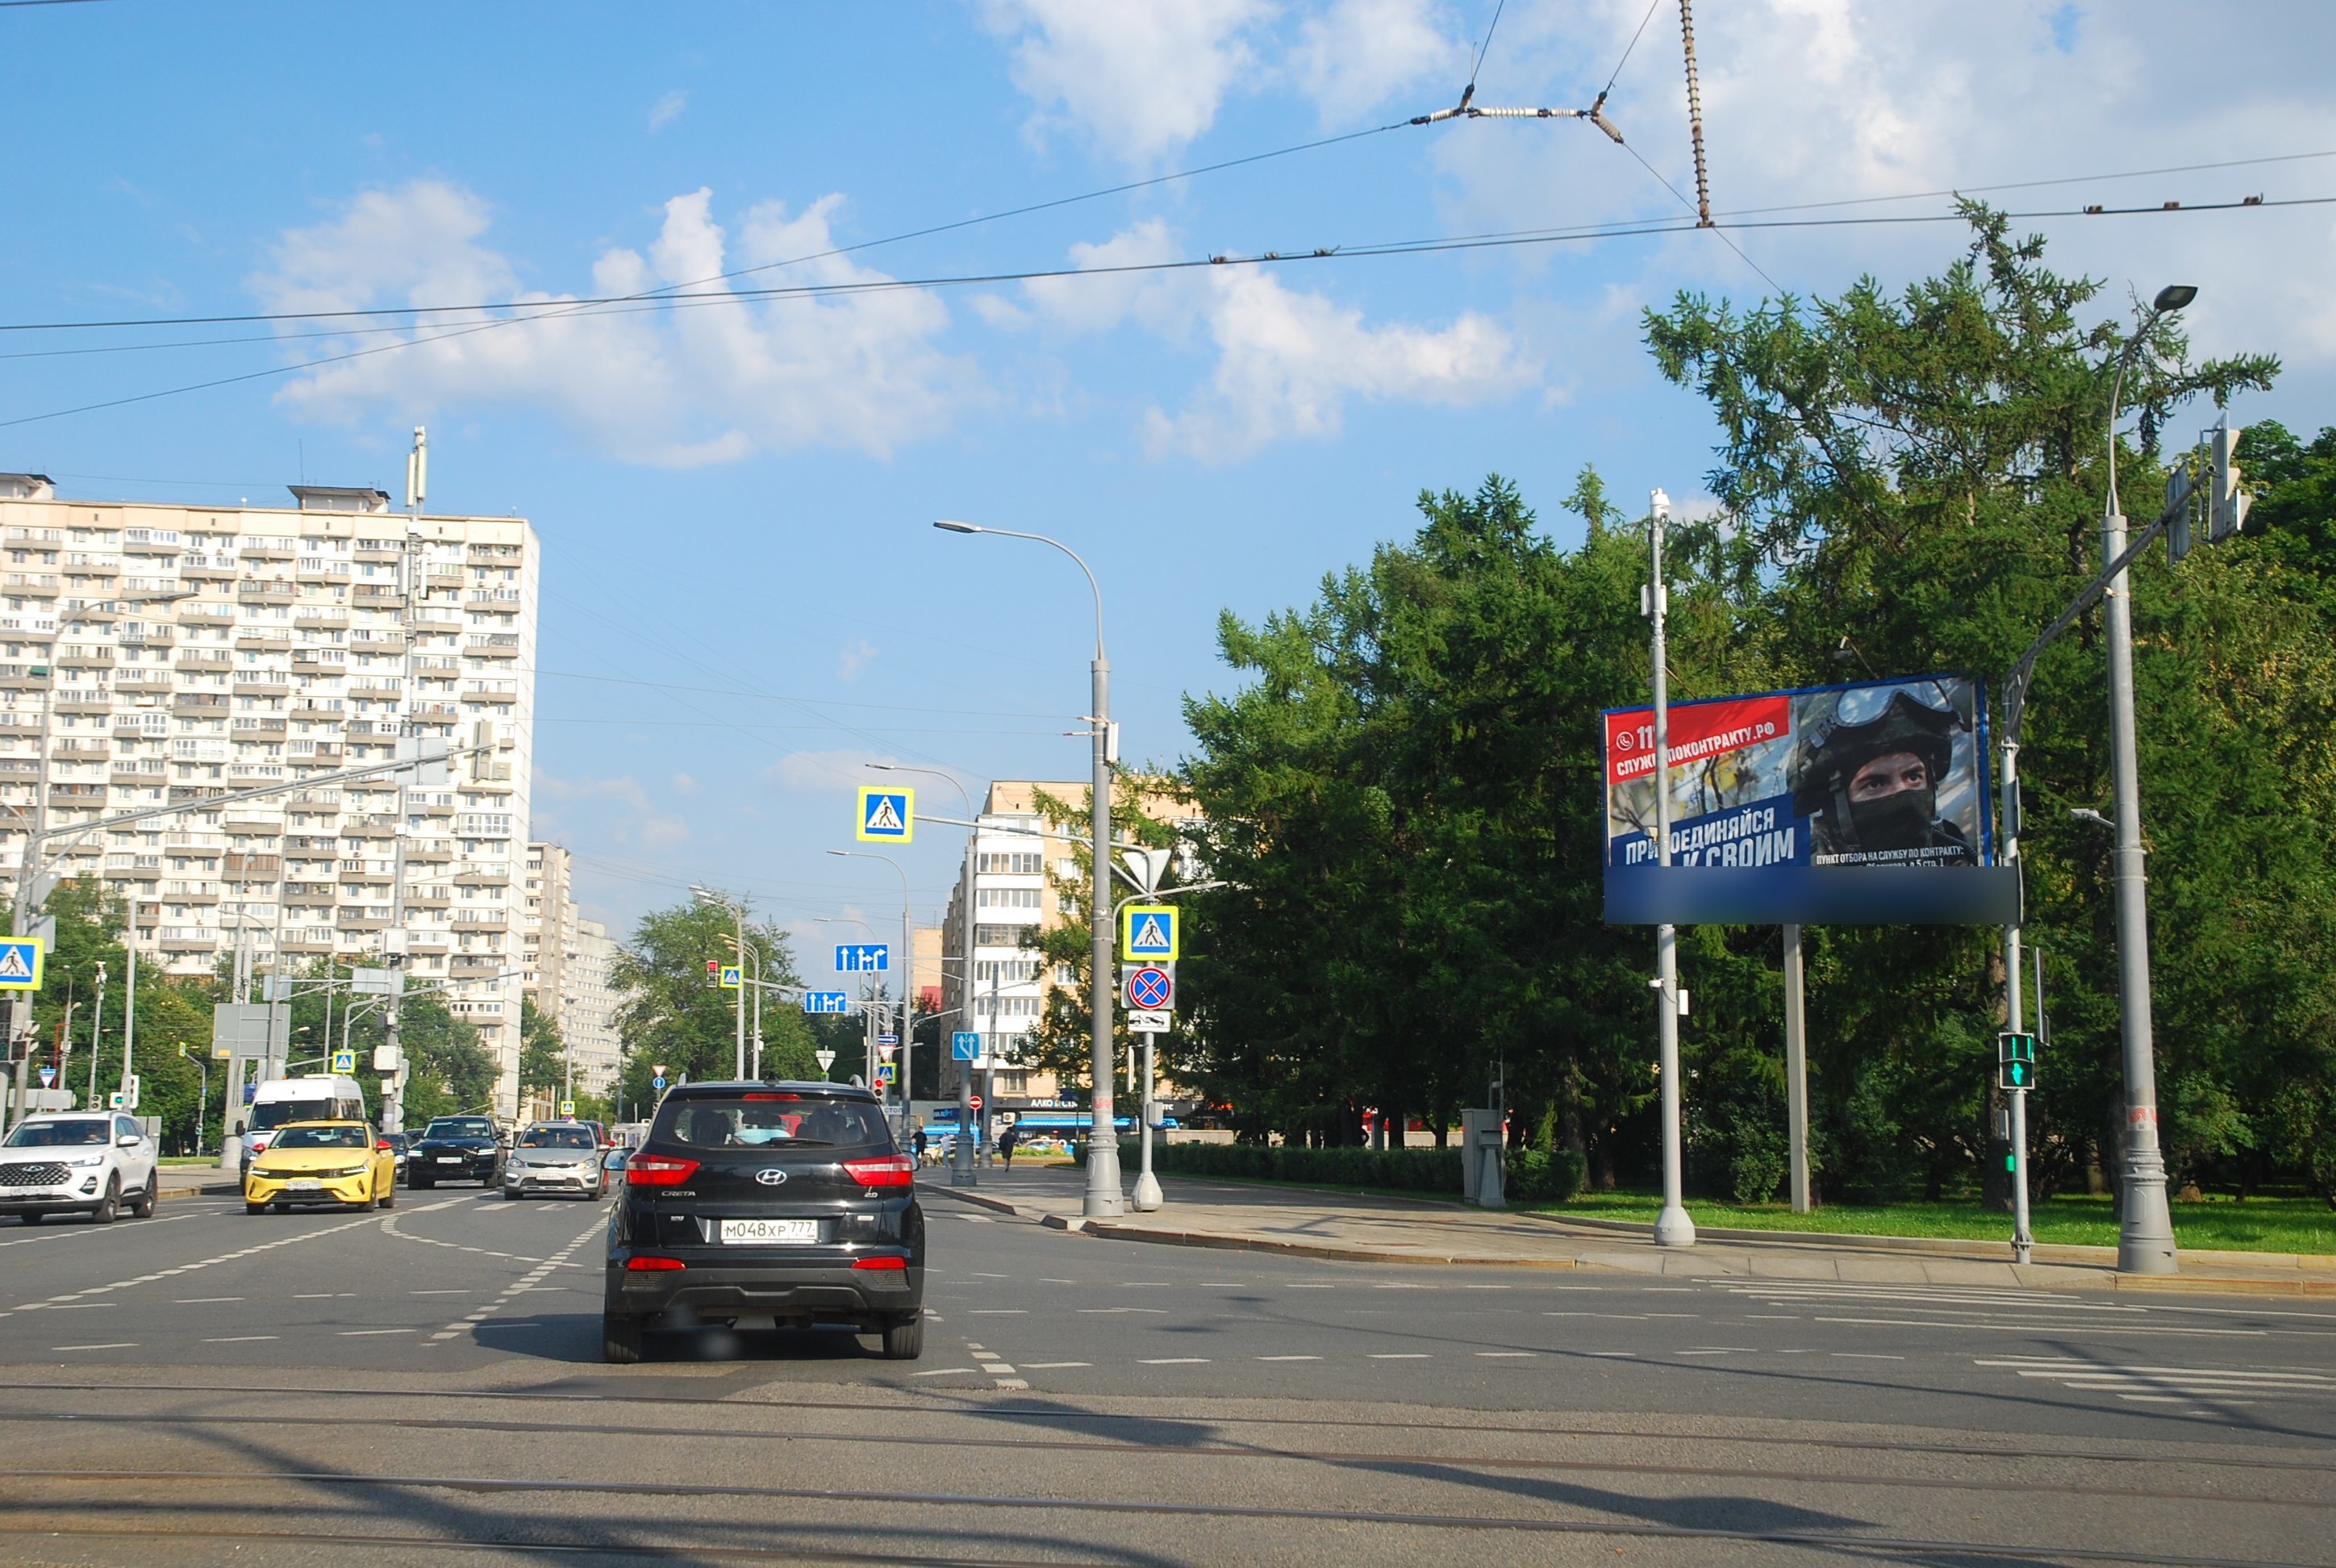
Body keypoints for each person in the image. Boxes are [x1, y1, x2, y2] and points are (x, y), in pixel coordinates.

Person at [1791, 683, 1976, 865]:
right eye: (1875, 784)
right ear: (1834, 802)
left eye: (1913, 777)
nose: (1901, 792)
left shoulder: (1965, 855)